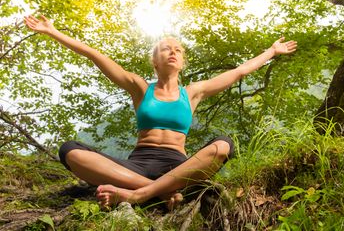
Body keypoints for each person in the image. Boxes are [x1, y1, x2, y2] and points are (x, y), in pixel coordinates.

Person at [24, 14, 297, 209]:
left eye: (178, 50)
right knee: (70, 151)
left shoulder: (192, 92)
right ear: (155, 60)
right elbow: (96, 55)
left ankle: (139, 195)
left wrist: (271, 51)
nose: (173, 52)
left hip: (178, 164)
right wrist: (52, 31)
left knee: (222, 146)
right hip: (137, 164)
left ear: (182, 62)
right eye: (165, 48)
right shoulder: (140, 88)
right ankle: (161, 192)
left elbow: (238, 72)